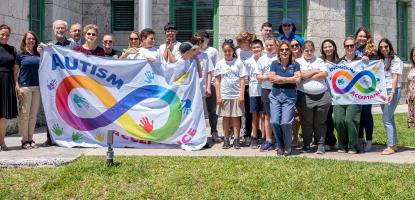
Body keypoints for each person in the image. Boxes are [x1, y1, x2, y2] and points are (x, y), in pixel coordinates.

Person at [296, 41, 331, 154]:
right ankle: (306, 144)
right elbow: (302, 75)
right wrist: (315, 71)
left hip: (322, 96)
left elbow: (324, 74)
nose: (309, 53)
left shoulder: (319, 60)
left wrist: (308, 74)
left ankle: (321, 144)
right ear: (302, 50)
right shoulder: (298, 61)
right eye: (307, 50)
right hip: (304, 96)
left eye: (311, 50)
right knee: (307, 122)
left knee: (320, 122)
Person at [268, 40, 301, 156]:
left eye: (287, 49)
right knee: (274, 121)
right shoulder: (274, 64)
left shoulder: (295, 64)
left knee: (286, 122)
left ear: (290, 51)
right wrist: (288, 79)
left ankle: (288, 146)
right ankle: (280, 145)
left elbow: (297, 79)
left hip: (290, 95)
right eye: (282, 49)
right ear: (279, 51)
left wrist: (282, 79)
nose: (284, 51)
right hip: (275, 95)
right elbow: (271, 78)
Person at [214, 39, 247, 149]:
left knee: (236, 117)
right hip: (224, 95)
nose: (227, 53)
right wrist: (218, 96)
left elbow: (242, 79)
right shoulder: (220, 64)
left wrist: (241, 95)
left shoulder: (239, 62)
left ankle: (236, 139)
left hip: (236, 95)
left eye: (229, 51)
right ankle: (226, 139)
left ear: (233, 50)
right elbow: (217, 81)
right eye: (225, 51)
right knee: (226, 118)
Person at [13, 31, 41, 149]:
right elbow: (15, 74)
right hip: (25, 87)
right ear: (25, 40)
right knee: (24, 114)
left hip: (37, 87)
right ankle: (24, 140)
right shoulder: (20, 54)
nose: (31, 41)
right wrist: (18, 88)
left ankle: (30, 138)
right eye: (29, 39)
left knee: (33, 115)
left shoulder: (38, 54)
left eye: (33, 39)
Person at [334, 37, 362, 154]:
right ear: (344, 47)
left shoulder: (361, 61)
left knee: (350, 120)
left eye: (352, 45)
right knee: (339, 120)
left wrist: (366, 61)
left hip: (355, 96)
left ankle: (353, 146)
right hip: (340, 96)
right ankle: (342, 145)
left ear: (355, 46)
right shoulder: (338, 62)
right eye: (347, 46)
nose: (349, 48)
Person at [190, 36, 219, 142]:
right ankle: (199, 134)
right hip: (194, 88)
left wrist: (208, 87)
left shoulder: (205, 56)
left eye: (199, 43)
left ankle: (214, 131)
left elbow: (209, 72)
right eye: (195, 43)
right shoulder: (189, 56)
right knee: (198, 112)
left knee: (212, 110)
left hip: (206, 86)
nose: (198, 45)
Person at [355, 27, 378, 152]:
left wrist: (369, 60)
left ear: (367, 38)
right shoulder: (353, 49)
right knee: (358, 114)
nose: (362, 38)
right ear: (356, 37)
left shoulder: (372, 51)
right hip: (355, 88)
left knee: (366, 113)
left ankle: (369, 140)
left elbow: (376, 66)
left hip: (367, 88)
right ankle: (360, 138)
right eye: (360, 36)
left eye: (364, 36)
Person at [378, 38, 403, 155]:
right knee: (390, 118)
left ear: (390, 47)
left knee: (386, 118)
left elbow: (395, 77)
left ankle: (391, 146)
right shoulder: (381, 60)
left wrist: (392, 92)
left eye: (386, 46)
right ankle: (395, 144)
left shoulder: (395, 60)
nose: (384, 49)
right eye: (381, 47)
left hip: (392, 91)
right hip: (382, 92)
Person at [255, 36, 278, 152]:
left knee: (279, 116)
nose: (269, 47)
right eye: (267, 45)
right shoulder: (261, 59)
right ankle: (268, 140)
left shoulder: (280, 57)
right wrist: (267, 77)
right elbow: (258, 76)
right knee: (267, 116)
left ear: (276, 45)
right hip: (266, 90)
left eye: (271, 45)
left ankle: (279, 140)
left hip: (279, 89)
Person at [236, 31, 256, 145]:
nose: (244, 44)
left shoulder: (254, 52)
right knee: (238, 111)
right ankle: (237, 134)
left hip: (250, 84)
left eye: (246, 42)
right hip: (237, 84)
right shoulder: (237, 52)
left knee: (248, 111)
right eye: (241, 42)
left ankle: (248, 134)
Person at [0, 24, 18, 151]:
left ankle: (1, 141)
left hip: (7, 82)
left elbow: (14, 70)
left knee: (3, 115)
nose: (5, 36)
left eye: (7, 34)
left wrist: (15, 84)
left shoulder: (12, 49)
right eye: (2, 34)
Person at [245, 39, 265, 148]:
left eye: (258, 47)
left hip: (264, 90)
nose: (256, 49)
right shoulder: (248, 61)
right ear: (251, 49)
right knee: (254, 115)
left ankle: (263, 137)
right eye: (254, 48)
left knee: (263, 115)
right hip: (253, 90)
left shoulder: (264, 60)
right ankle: (254, 136)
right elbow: (246, 77)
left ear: (262, 48)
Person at [320, 39, 340, 150]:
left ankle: (340, 140)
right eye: (325, 47)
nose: (328, 49)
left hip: (338, 95)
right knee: (326, 118)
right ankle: (330, 141)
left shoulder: (340, 62)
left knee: (338, 119)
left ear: (334, 47)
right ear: (322, 49)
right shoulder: (320, 62)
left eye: (330, 46)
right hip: (324, 94)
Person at [290, 38, 302, 146]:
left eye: (296, 45)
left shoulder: (303, 59)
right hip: (290, 90)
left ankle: (296, 137)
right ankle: (292, 137)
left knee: (299, 116)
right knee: (291, 115)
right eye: (292, 46)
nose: (294, 47)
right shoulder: (288, 60)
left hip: (302, 91)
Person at [407, 47, 415, 128]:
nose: (414, 57)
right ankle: (411, 125)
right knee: (411, 112)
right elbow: (409, 81)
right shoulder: (411, 67)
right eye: (413, 55)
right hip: (411, 96)